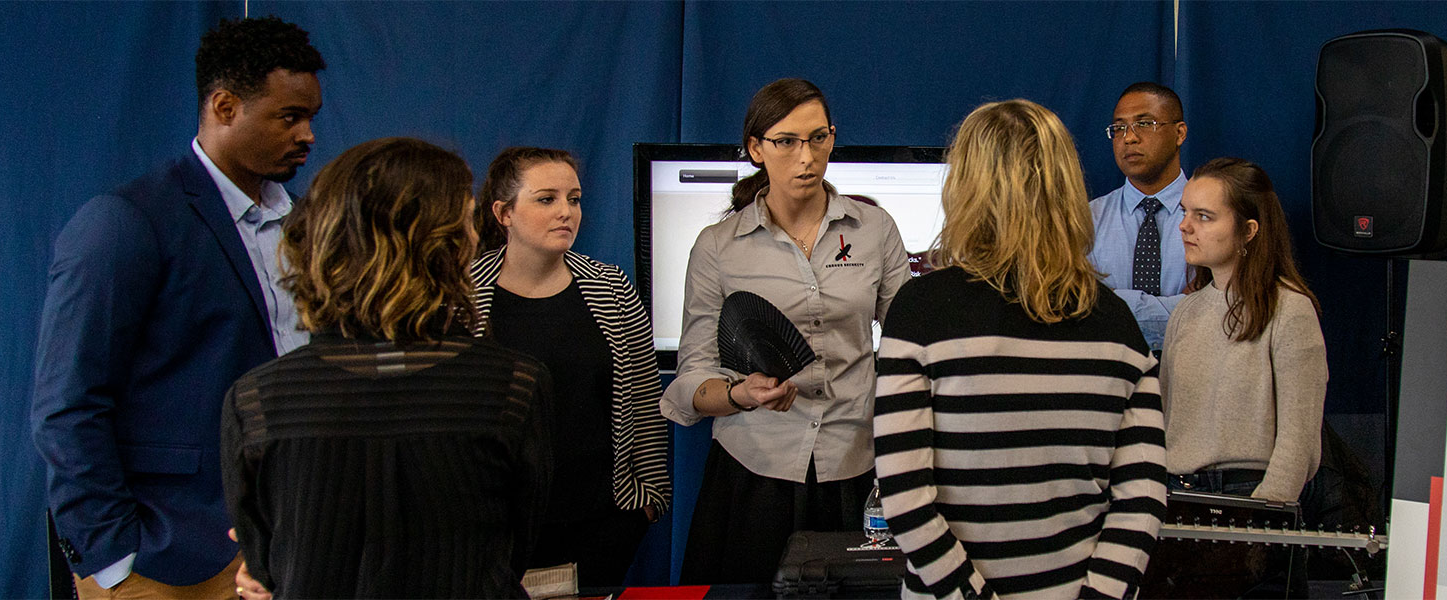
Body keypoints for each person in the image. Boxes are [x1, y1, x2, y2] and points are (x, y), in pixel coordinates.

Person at [29, 17, 323, 598]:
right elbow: (67, 403)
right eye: (289, 117)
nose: (308, 134)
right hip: (171, 560)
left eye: (312, 116)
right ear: (223, 106)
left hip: (295, 546)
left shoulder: (311, 221)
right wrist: (114, 561)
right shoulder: (127, 222)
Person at [221, 137, 553, 598]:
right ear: (444, 247)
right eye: (465, 221)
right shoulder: (513, 386)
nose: (477, 236)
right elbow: (516, 550)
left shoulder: (257, 398)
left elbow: (265, 568)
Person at [874, 99, 1167, 600]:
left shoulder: (920, 312)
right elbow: (1142, 498)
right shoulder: (1117, 323)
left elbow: (905, 499)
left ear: (965, 187)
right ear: (1065, 187)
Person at [660, 78, 912, 584]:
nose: (807, 157)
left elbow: (911, 342)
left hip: (857, 469)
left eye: (819, 138)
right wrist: (740, 393)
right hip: (754, 475)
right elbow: (691, 382)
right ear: (755, 149)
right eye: (787, 141)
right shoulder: (718, 246)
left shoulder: (873, 229)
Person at [467, 147, 671, 587]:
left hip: (599, 523)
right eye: (547, 199)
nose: (566, 212)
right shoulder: (462, 293)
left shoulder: (611, 289)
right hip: (490, 528)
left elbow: (644, 400)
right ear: (504, 213)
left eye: (574, 199)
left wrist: (649, 501)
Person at [1161, 157, 1326, 503]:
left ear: (1248, 230)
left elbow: (1298, 440)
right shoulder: (1185, 312)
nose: (1185, 226)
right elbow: (1167, 420)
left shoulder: (1290, 309)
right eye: (1185, 212)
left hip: (1248, 494)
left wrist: (1263, 515)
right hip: (1178, 493)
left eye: (1203, 216)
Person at [1089, 82, 1191, 352]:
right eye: (1119, 128)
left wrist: (1110, 303)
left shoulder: (1214, 216)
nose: (1129, 138)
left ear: (1179, 133)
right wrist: (1186, 308)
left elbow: (1221, 313)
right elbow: (1079, 311)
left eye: (1145, 124)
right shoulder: (1087, 220)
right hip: (1112, 379)